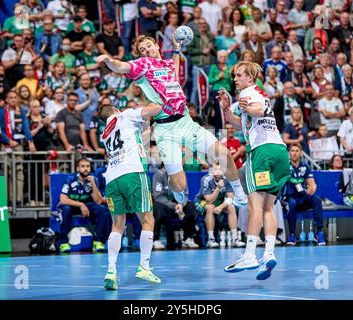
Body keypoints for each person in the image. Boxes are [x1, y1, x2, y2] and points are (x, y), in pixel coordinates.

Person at [96, 35, 248, 208]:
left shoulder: (167, 64)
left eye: (148, 46)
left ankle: (240, 195)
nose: (147, 51)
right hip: (165, 130)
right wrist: (109, 60)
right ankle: (175, 186)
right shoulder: (143, 65)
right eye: (142, 50)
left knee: (223, 153)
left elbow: (173, 72)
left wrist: (176, 50)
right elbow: (121, 66)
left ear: (157, 46)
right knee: (180, 185)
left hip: (185, 122)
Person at [219, 61, 290, 280]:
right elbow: (243, 124)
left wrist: (245, 107)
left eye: (239, 75)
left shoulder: (249, 93)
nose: (235, 79)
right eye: (234, 76)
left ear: (250, 78)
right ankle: (268, 253)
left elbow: (256, 110)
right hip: (280, 153)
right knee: (268, 207)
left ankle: (250, 254)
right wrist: (227, 110)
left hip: (262, 153)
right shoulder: (259, 92)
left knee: (254, 206)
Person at [98, 103, 162, 290]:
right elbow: (155, 108)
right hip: (132, 173)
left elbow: (139, 138)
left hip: (112, 179)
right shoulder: (125, 116)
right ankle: (144, 266)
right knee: (148, 220)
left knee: (117, 225)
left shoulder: (106, 132)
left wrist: (149, 126)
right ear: (116, 110)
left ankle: (111, 270)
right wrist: (149, 102)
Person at [58, 158, 110, 253]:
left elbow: (98, 201)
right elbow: (63, 200)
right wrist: (81, 205)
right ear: (78, 168)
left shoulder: (93, 179)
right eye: (83, 166)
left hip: (87, 205)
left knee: (101, 209)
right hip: (72, 205)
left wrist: (93, 184)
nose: (86, 169)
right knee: (65, 209)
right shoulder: (70, 179)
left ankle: (98, 241)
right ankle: (63, 243)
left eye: (88, 166)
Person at [283, 143, 325, 246]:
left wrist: (312, 188)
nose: (294, 153)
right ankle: (292, 235)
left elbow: (311, 183)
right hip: (289, 197)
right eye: (292, 151)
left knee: (317, 200)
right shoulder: (284, 166)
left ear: (301, 153)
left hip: (302, 197)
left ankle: (319, 233)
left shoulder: (305, 167)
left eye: (297, 151)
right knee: (292, 204)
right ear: (289, 153)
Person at [152, 162, 199, 250]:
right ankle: (155, 239)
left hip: (179, 205)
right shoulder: (159, 175)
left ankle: (188, 238)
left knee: (191, 207)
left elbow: (185, 194)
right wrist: (174, 206)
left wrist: (181, 205)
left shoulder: (181, 175)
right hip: (165, 205)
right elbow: (157, 196)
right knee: (156, 207)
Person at [199, 164, 246, 248]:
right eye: (215, 169)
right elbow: (208, 199)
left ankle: (234, 238)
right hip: (202, 201)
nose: (217, 172)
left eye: (219, 169)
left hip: (219, 201)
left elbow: (231, 197)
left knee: (231, 207)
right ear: (211, 171)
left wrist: (220, 207)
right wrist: (218, 188)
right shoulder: (206, 179)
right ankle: (211, 239)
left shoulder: (227, 179)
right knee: (210, 207)